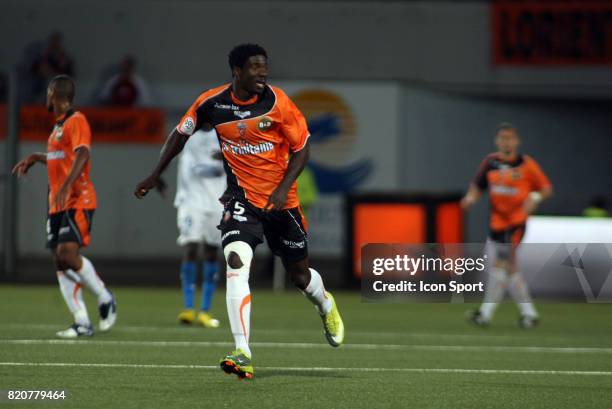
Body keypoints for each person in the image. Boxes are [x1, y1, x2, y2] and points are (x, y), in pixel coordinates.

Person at [134, 43, 344, 379]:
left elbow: (303, 151)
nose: (262, 73)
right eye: (255, 68)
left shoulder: (278, 103)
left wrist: (280, 187)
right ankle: (242, 351)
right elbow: (179, 135)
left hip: (281, 203)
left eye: (265, 67)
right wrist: (155, 173)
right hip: (241, 201)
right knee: (235, 263)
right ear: (237, 71)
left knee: (300, 278)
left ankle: (326, 305)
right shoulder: (211, 103)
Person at [12, 75, 116, 338]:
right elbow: (62, 157)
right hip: (57, 203)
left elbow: (82, 153)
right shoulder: (57, 127)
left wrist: (69, 184)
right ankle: (81, 321)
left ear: (53, 93)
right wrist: (37, 157)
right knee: (59, 261)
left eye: (47, 93)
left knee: (68, 254)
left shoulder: (76, 120)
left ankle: (105, 296)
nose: (46, 98)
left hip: (78, 198)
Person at [461, 123, 552, 329]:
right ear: (497, 140)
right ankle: (529, 314)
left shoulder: (526, 164)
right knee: (510, 270)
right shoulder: (491, 162)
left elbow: (546, 188)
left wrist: (534, 197)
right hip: (496, 224)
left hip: (515, 224)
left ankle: (484, 315)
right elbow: (478, 186)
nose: (506, 142)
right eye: (502, 138)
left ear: (517, 141)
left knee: (500, 267)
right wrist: (470, 198)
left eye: (509, 138)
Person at [175, 128, 225, 328]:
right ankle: (188, 308)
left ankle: (205, 310)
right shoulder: (187, 135)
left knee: (212, 252)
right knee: (191, 248)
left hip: (217, 202)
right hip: (191, 201)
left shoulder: (224, 134)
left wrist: (227, 156)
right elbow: (174, 152)